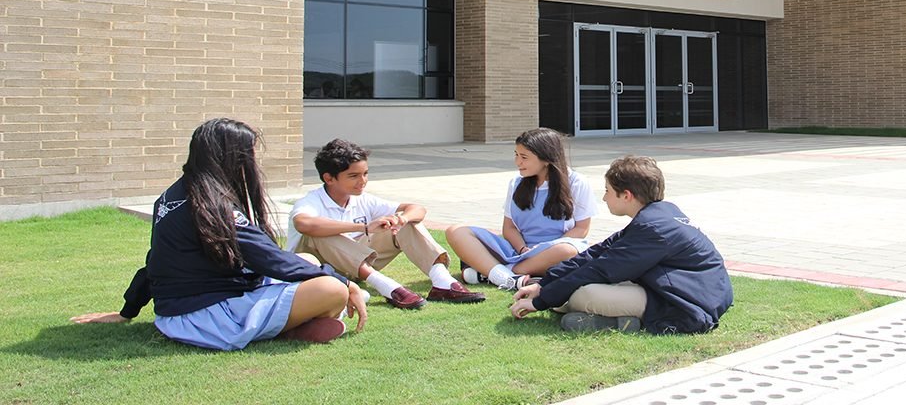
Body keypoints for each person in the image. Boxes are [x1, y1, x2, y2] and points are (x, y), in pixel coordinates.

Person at [72, 118, 367, 350]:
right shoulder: (213, 205)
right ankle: (286, 330)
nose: (251, 162)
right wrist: (342, 281)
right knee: (331, 290)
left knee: (308, 261)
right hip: (204, 318)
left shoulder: (175, 195)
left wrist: (128, 310)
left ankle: (291, 326)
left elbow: (156, 260)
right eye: (247, 154)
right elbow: (269, 259)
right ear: (229, 157)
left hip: (178, 313)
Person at [510, 155, 733, 334]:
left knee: (583, 295)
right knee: (572, 289)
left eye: (607, 191)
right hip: (670, 287)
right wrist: (544, 284)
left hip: (685, 302)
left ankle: (620, 323)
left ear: (626, 195)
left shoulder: (653, 229)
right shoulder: (655, 215)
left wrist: (541, 302)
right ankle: (609, 318)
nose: (605, 198)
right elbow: (596, 253)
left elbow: (601, 269)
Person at [285, 138, 484, 307]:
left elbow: (417, 208)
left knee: (405, 220)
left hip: (355, 266)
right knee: (320, 233)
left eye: (365, 173)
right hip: (318, 272)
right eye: (353, 176)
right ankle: (389, 287)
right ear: (329, 178)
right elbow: (304, 224)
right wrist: (363, 227)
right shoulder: (310, 202)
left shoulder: (363, 199)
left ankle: (443, 283)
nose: (362, 181)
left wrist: (402, 219)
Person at [445, 128, 595, 290]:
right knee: (456, 231)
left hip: (555, 250)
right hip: (518, 251)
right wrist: (523, 248)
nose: (518, 162)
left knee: (567, 250)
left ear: (546, 159)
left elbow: (581, 229)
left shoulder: (577, 182)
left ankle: (498, 273)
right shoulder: (516, 183)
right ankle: (513, 276)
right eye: (516, 155)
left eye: (524, 157)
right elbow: (508, 228)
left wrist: (543, 249)